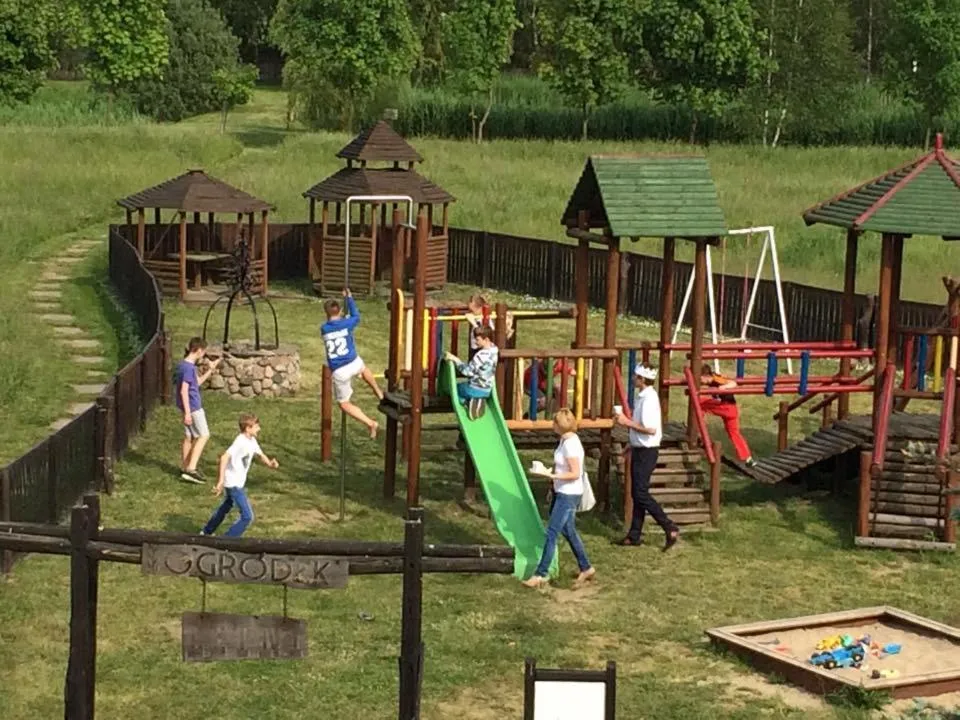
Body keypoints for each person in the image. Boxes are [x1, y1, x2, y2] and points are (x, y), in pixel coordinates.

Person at [522, 408, 595, 588]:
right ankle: (586, 567)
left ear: (560, 426)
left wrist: (553, 477)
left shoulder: (571, 445)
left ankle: (541, 573)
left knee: (552, 532)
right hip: (561, 491)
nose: (552, 425)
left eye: (555, 422)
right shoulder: (565, 440)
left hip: (569, 494)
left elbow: (575, 473)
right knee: (568, 531)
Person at [615, 364, 679, 551]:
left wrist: (626, 423)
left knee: (641, 493)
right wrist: (631, 443)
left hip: (647, 451)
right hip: (639, 449)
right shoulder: (643, 396)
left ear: (642, 380)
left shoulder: (649, 399)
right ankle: (634, 535)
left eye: (636, 376)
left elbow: (650, 429)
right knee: (637, 493)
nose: (633, 378)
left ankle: (669, 526)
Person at [201, 413, 279, 538]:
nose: (259, 429)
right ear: (248, 428)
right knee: (247, 516)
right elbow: (224, 458)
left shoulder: (252, 440)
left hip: (237, 482)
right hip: (233, 484)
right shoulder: (240, 441)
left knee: (226, 506)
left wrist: (270, 463)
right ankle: (228, 540)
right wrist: (220, 481)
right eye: (256, 426)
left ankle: (206, 532)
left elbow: (260, 454)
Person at [321, 288, 384, 439]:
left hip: (339, 370)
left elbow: (336, 325)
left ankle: (370, 423)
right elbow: (356, 316)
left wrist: (344, 317)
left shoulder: (324, 329)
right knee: (363, 368)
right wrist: (349, 298)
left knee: (344, 404)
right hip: (353, 361)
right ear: (340, 310)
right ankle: (378, 391)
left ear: (326, 313)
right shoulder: (347, 323)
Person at [174, 337, 220, 484]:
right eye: (203, 351)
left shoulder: (184, 365)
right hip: (193, 407)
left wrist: (210, 370)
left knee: (189, 437)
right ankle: (191, 469)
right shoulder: (189, 368)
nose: (203, 354)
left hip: (187, 406)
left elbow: (197, 383)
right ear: (199, 350)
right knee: (204, 435)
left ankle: (185, 467)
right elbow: (184, 390)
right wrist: (188, 412)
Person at [699, 364, 756, 468]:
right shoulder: (714, 377)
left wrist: (724, 387)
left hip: (726, 408)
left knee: (700, 403)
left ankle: (702, 436)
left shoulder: (716, 379)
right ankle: (748, 458)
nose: (700, 382)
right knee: (734, 433)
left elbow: (733, 383)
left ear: (705, 376)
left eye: (700, 379)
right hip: (732, 410)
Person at [444, 325, 499, 419]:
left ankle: (467, 402)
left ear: (486, 340)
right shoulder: (494, 350)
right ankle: (478, 400)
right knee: (465, 387)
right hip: (487, 389)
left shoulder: (481, 355)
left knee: (453, 389)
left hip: (474, 388)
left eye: (478, 339)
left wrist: (456, 360)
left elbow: (468, 372)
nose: (476, 342)